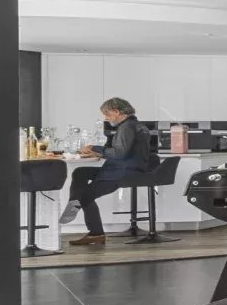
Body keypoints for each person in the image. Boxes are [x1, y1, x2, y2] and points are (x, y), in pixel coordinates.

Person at [57, 98, 158, 246]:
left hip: (121, 172)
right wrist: (101, 153)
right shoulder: (137, 126)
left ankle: (95, 233)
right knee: (80, 172)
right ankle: (74, 202)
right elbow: (127, 152)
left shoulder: (127, 127)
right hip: (125, 169)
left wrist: (95, 148)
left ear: (117, 111)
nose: (106, 117)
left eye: (107, 114)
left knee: (85, 197)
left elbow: (120, 154)